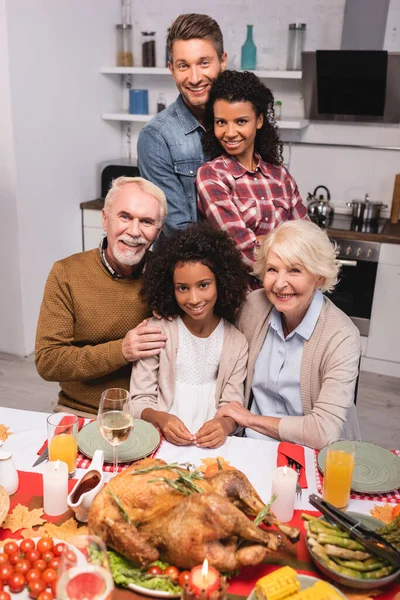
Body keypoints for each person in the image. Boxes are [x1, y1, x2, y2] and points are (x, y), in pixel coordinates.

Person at [216, 220, 361, 450]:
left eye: (295, 270)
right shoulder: (253, 307)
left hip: (315, 455)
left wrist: (248, 419)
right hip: (249, 448)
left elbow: (323, 432)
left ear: (319, 277)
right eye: (272, 269)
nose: (280, 284)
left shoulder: (342, 336)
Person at [35, 177, 169, 416]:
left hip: (152, 413)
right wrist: (121, 351)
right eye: (125, 217)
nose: (134, 231)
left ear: (157, 233)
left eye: (146, 221)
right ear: (105, 220)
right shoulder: (66, 274)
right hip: (81, 410)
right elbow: (48, 361)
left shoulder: (170, 278)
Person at [130, 223, 248, 449]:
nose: (194, 299)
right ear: (169, 288)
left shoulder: (236, 343)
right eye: (182, 288)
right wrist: (161, 419)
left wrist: (224, 426)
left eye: (203, 285)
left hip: (214, 447)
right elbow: (137, 401)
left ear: (221, 282)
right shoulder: (157, 332)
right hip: (160, 443)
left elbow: (233, 405)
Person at [196, 70, 308, 286]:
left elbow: (309, 241)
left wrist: (263, 242)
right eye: (221, 122)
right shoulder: (211, 176)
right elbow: (243, 251)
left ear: (259, 120)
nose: (229, 133)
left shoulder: (281, 177)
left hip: (286, 301)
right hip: (241, 304)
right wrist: (285, 244)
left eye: (241, 121)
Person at [137, 13, 227, 237]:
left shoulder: (244, 123)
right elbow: (180, 231)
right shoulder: (157, 137)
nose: (195, 78)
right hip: (187, 268)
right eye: (183, 66)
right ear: (171, 68)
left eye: (204, 63)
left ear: (222, 61)